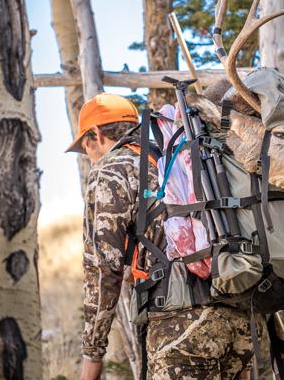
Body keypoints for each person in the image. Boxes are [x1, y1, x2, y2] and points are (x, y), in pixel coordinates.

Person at [68, 93, 258, 380]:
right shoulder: (181, 155)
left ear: (96, 133)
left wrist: (93, 355)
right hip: (238, 321)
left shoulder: (111, 170)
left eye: (86, 148)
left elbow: (102, 269)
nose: (90, 157)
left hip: (179, 328)